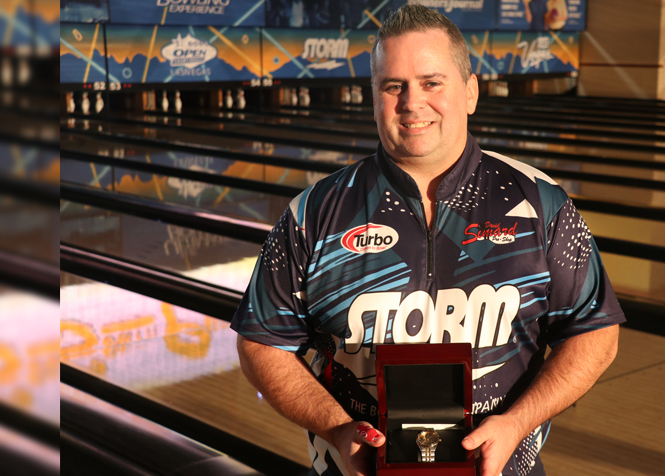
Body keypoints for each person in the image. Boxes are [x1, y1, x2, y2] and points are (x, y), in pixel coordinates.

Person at [232, 5, 624, 476]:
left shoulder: (541, 204)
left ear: (471, 91)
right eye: (393, 86)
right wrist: (337, 428)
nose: (411, 103)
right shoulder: (312, 214)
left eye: (431, 82)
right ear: (373, 95)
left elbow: (595, 332)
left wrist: (518, 422)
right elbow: (262, 343)